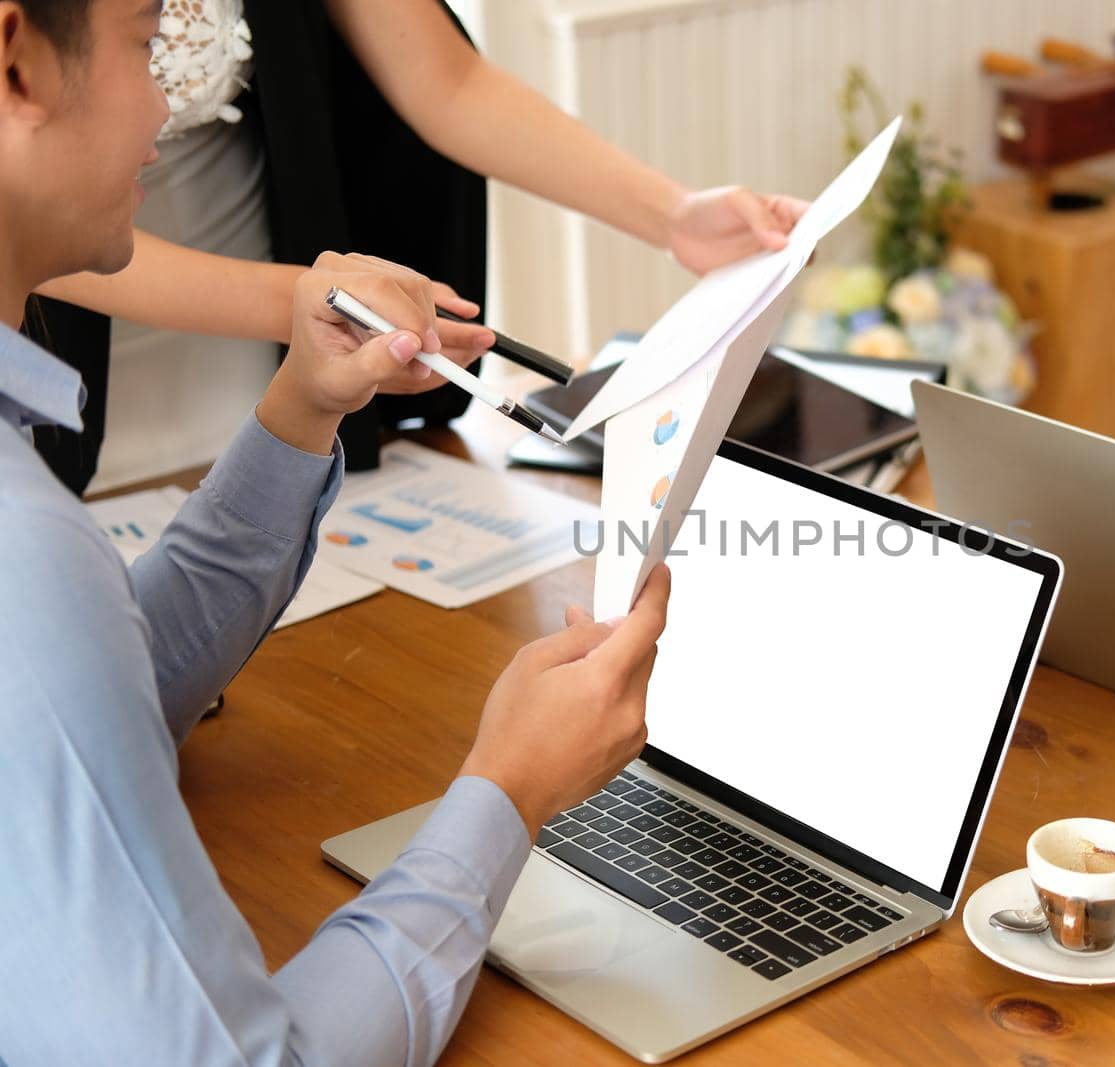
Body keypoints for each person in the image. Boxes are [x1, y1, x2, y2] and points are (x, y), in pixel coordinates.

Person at [0, 2, 671, 1062]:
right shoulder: (24, 556)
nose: (168, 99)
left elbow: (108, 674)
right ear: (15, 63)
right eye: (142, 43)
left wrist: (302, 410)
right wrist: (509, 788)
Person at [30, 0, 807, 491]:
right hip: (57, 344)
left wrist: (674, 215)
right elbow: (29, 207)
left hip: (263, 355)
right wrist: (318, 302)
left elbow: (448, 82)